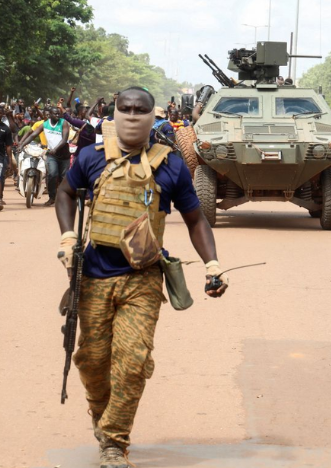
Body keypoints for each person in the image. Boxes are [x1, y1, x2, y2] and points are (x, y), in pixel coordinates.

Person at [55, 86, 229, 467]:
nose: (132, 116)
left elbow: (196, 219)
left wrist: (213, 265)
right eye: (126, 109)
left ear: (155, 115)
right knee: (91, 360)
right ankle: (104, 419)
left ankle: (115, 442)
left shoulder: (171, 166)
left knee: (133, 361)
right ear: (114, 112)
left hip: (144, 278)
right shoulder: (91, 157)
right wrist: (69, 237)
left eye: (141, 109)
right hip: (94, 276)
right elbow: (65, 193)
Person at [19, 107, 70, 206]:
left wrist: (55, 149)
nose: (57, 115)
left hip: (64, 155)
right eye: (55, 113)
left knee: (63, 178)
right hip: (52, 155)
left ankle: (65, 198)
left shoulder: (64, 123)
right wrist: (22, 145)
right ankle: (52, 197)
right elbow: (33, 135)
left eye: (58, 113)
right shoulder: (45, 125)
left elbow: (64, 140)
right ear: (50, 114)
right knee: (52, 174)